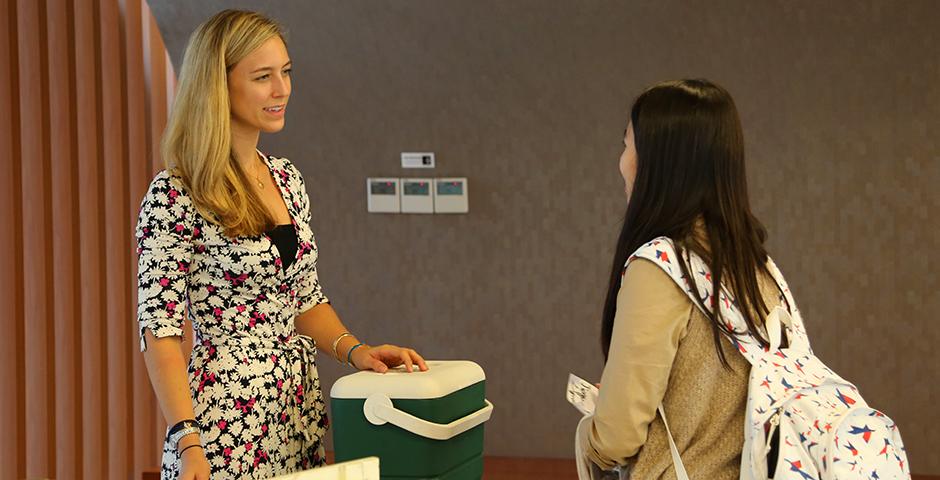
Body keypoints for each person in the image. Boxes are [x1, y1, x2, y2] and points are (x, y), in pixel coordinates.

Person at [136, 10, 428, 480]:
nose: (282, 89)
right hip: (223, 427)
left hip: (296, 416)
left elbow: (303, 298)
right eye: (262, 77)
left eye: (286, 72)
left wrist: (359, 352)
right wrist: (186, 439)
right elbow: (160, 331)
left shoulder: (287, 178)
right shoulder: (175, 194)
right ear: (219, 85)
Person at [580, 79, 791, 479]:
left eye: (626, 144)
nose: (621, 161)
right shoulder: (756, 265)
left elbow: (617, 438)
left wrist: (590, 435)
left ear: (658, 160)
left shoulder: (659, 268)